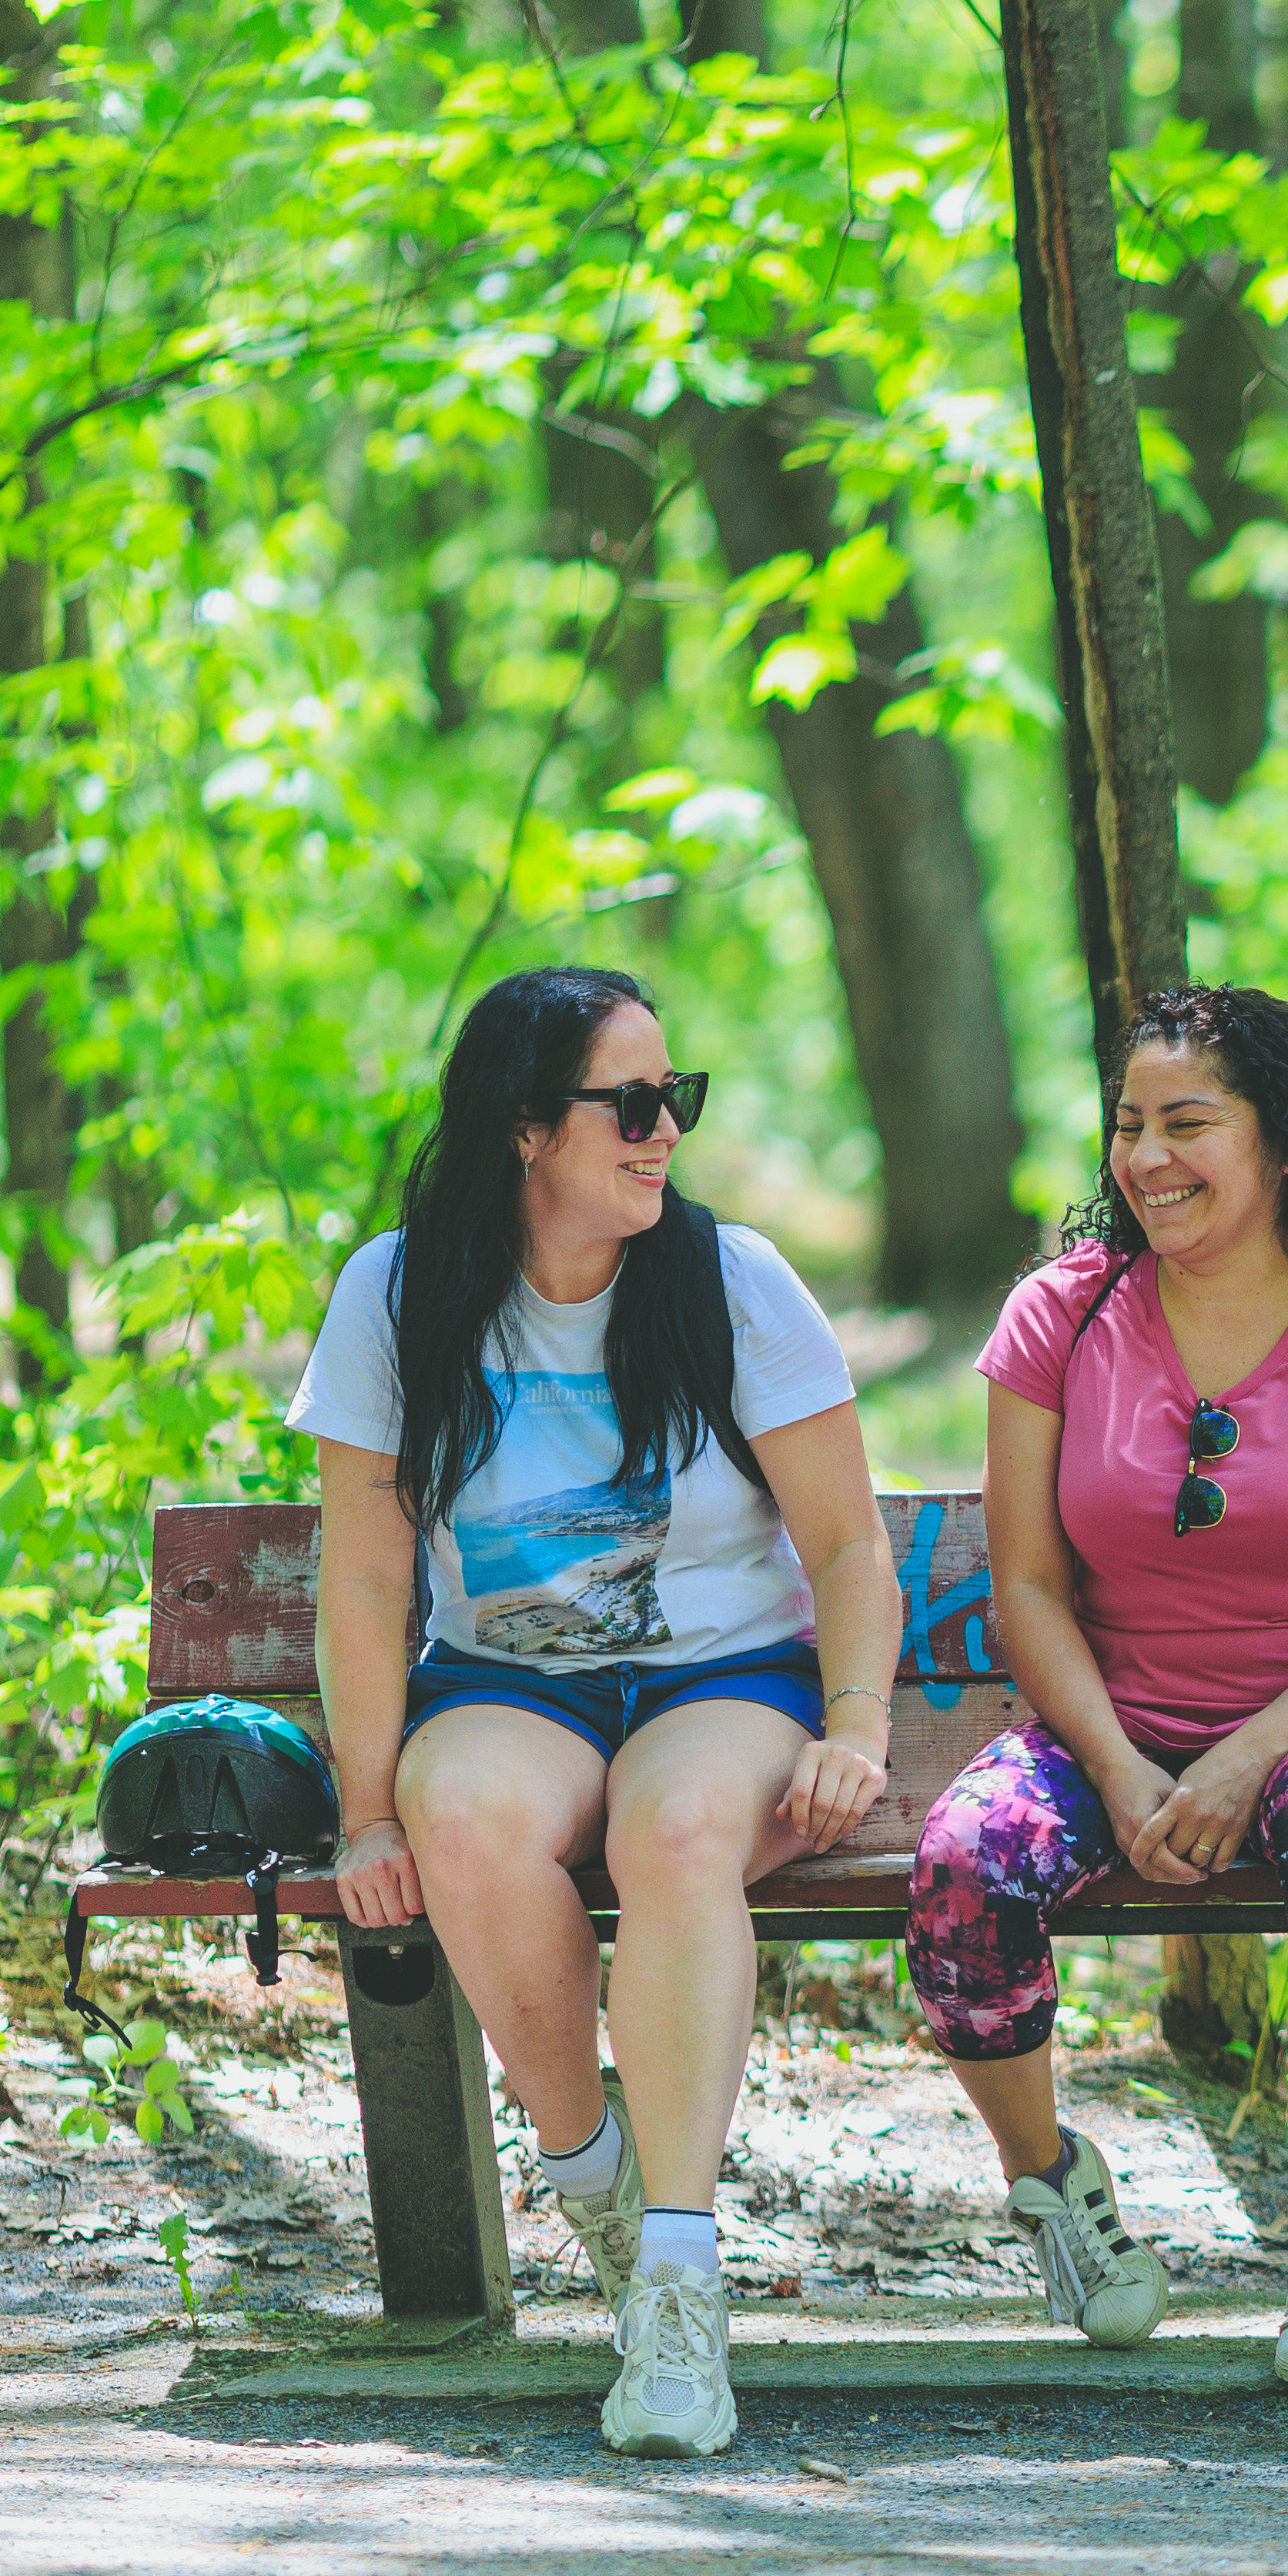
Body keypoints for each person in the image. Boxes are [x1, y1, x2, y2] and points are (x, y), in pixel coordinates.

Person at [293, 966, 896, 2461]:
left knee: (677, 1828)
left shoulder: (730, 1279)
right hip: (508, 1682)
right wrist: (369, 1807)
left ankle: (680, 2287)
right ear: (522, 1128)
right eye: (630, 1103)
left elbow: (846, 1545)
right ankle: (600, 2189)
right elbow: (368, 1584)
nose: (663, 1130)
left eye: (675, 1099)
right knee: (465, 1817)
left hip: (721, 1680)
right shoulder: (397, 1291)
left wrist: (857, 1723)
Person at [908, 986, 1288, 2388]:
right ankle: (1053, 2187)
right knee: (963, 1865)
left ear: (1282, 1143)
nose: (1147, 1157)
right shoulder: (1063, 1313)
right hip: (1126, 1722)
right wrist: (1117, 1766)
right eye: (1127, 1126)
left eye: (1188, 1124)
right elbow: (1029, 1589)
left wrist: (1249, 1758)